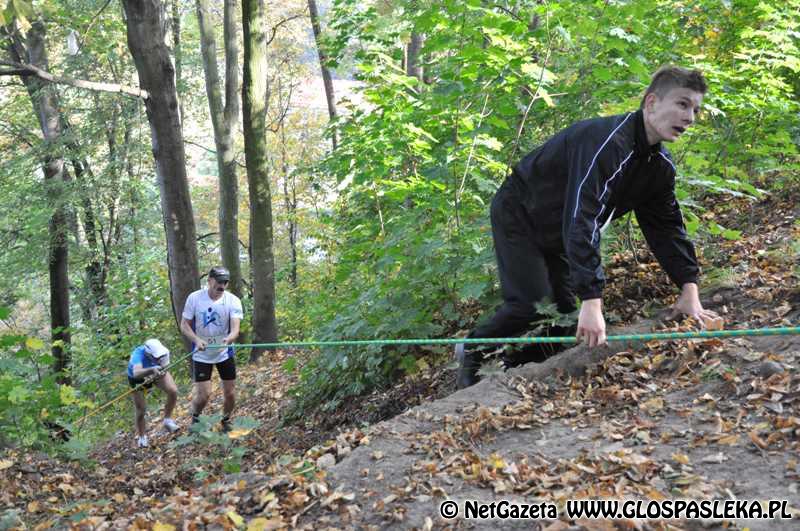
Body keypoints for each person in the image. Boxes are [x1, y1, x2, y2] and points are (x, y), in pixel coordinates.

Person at [456, 65, 720, 389]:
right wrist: (592, 300)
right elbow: (583, 217)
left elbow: (666, 228)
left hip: (561, 230)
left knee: (566, 319)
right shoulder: (608, 143)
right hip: (520, 213)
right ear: (651, 103)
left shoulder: (658, 167)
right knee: (530, 302)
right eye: (682, 104)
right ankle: (473, 353)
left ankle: (517, 369)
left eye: (695, 109)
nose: (690, 117)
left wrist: (688, 287)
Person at [180, 266, 243, 432]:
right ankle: (195, 418)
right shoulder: (194, 298)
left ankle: (226, 420)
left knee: (230, 393)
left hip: (224, 351)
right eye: (219, 281)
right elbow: (184, 325)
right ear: (209, 281)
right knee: (204, 395)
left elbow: (236, 329)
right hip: (201, 352)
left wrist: (229, 338)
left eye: (225, 282)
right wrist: (196, 339)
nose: (222, 285)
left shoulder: (233, 301)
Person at [127, 338, 179, 447]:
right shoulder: (138, 354)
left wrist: (158, 374)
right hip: (138, 379)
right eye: (156, 357)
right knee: (141, 409)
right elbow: (136, 373)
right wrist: (151, 370)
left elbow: (165, 366)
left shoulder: (163, 352)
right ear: (148, 353)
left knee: (173, 390)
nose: (159, 358)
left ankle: (167, 420)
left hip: (156, 372)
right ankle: (142, 437)